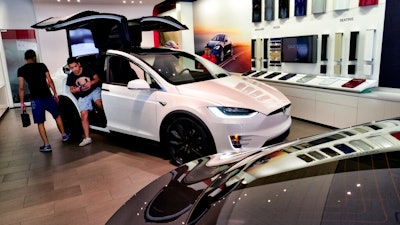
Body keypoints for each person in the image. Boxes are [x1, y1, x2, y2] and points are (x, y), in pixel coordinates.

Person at [18, 49, 70, 152]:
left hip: (36, 100)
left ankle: (47, 145)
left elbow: (21, 88)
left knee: (40, 122)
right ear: (34, 57)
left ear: (25, 59)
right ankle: (64, 135)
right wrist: (55, 93)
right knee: (57, 115)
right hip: (47, 96)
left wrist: (22, 102)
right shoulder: (42, 65)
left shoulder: (21, 70)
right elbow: (49, 81)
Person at [66, 57, 103, 147]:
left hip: (94, 90)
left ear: (78, 64)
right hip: (83, 95)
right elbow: (71, 90)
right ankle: (87, 138)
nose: (74, 69)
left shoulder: (87, 69)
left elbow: (98, 79)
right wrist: (76, 90)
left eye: (75, 66)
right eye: (71, 68)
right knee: (83, 115)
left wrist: (91, 83)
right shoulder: (70, 76)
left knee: (99, 103)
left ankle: (108, 120)